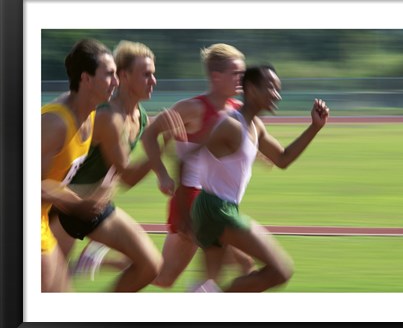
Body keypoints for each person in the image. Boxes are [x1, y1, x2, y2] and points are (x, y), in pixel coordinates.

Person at [50, 40, 186, 292]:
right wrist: (163, 146)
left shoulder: (141, 117)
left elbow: (118, 173)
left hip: (93, 205)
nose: (153, 80)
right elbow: (130, 176)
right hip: (67, 205)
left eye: (154, 74)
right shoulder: (109, 117)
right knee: (51, 292)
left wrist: (160, 167)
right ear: (123, 76)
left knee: (151, 265)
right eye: (146, 74)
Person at [190, 64, 330, 292]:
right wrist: (180, 194)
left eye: (278, 89)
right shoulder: (231, 125)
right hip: (216, 208)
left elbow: (283, 159)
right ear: (252, 89)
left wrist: (314, 127)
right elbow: (193, 153)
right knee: (280, 270)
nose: (277, 95)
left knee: (207, 285)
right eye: (271, 88)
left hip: (215, 208)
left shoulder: (255, 126)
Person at [141, 43, 255, 289]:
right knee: (244, 265)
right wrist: (161, 174)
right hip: (192, 200)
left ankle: (104, 259)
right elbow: (149, 134)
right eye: (236, 73)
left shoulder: (237, 111)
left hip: (218, 200)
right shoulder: (193, 108)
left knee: (164, 277)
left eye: (243, 74)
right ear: (216, 76)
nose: (241, 79)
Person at [41, 39, 118, 292]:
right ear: (86, 79)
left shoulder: (90, 115)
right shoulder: (54, 123)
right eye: (109, 75)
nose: (116, 82)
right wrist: (78, 203)